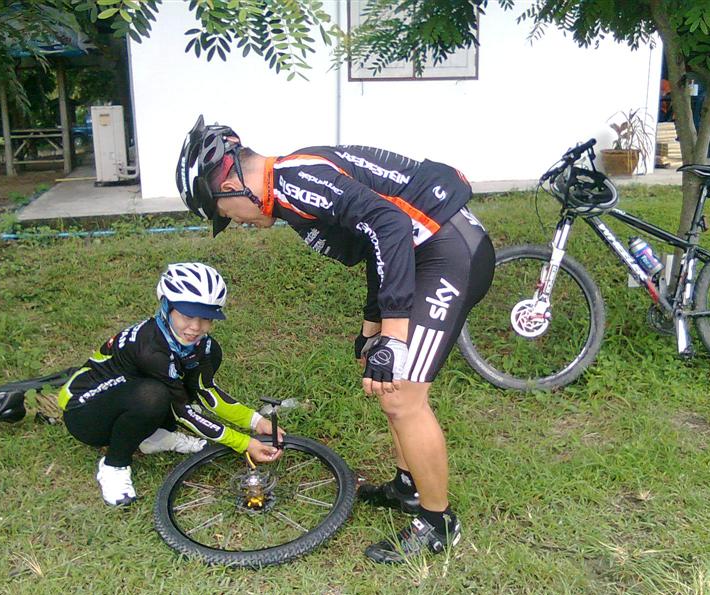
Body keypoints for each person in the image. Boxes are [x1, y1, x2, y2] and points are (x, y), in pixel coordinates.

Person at [175, 116, 495, 563]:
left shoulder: (296, 181)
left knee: (403, 396)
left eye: (226, 214)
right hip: (424, 254)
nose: (237, 222)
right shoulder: (288, 188)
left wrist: (393, 338)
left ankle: (438, 523)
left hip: (448, 252)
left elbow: (391, 226)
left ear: (231, 186)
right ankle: (408, 487)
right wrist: (372, 328)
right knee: (390, 390)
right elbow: (376, 250)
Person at [58, 262, 283, 507]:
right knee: (153, 396)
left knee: (183, 377)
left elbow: (206, 392)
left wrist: (255, 421)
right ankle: (114, 465)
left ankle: (152, 437)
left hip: (129, 394)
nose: (196, 327)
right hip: (85, 412)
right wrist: (243, 443)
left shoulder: (203, 345)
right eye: (187, 315)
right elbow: (182, 411)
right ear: (166, 306)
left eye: (206, 318)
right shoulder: (150, 348)